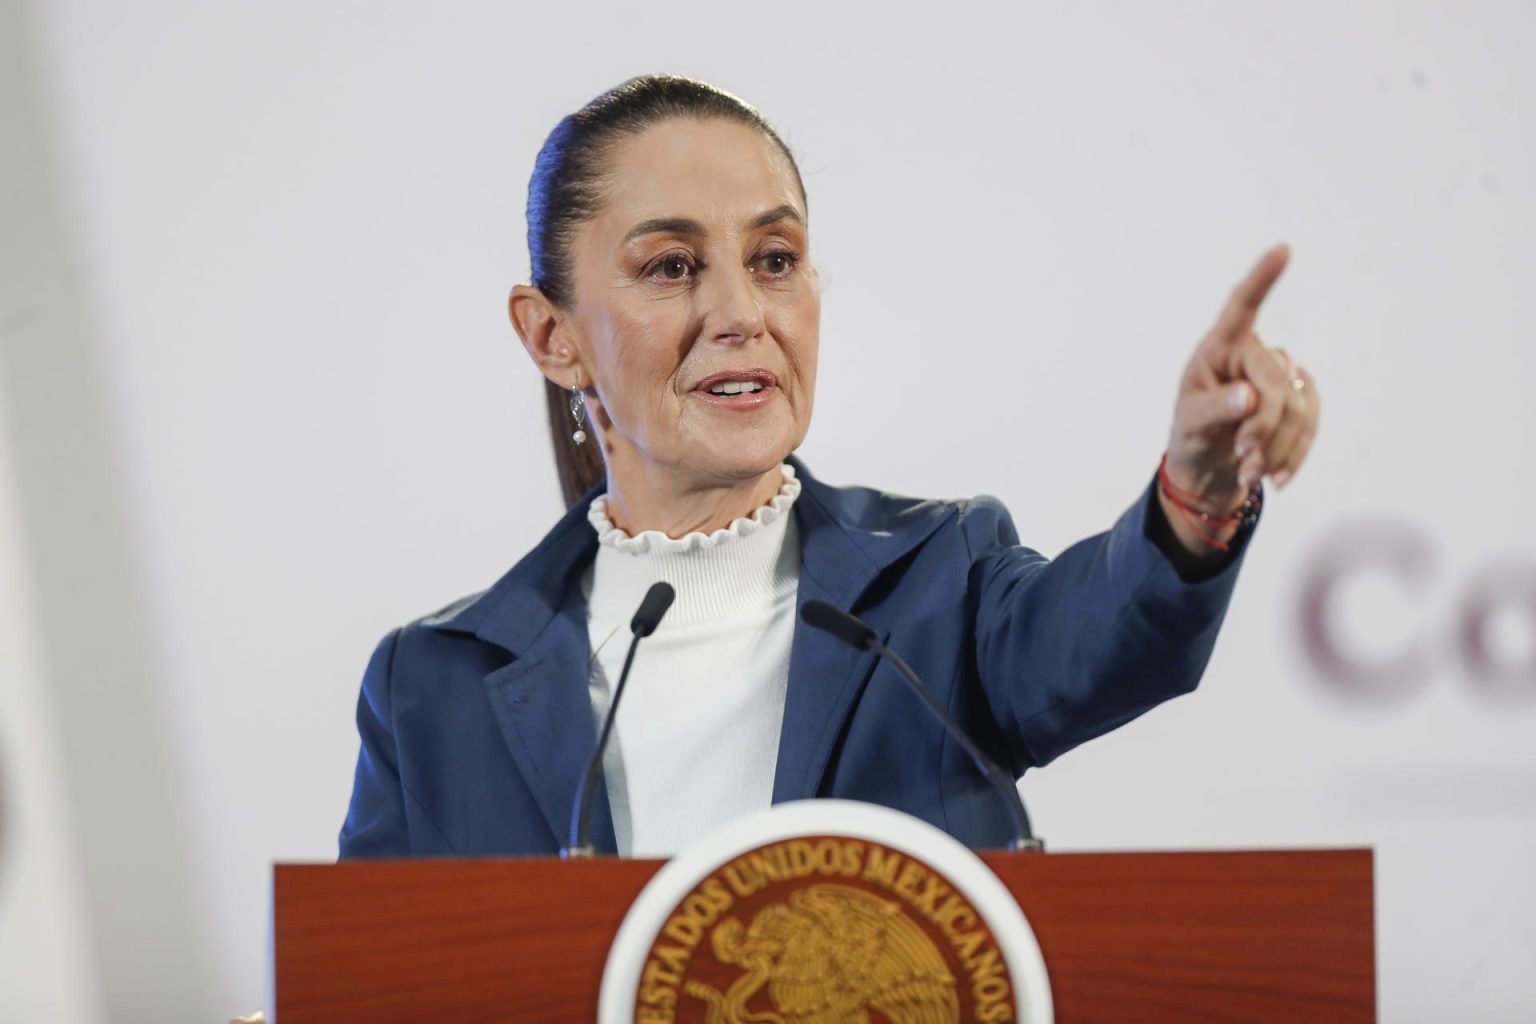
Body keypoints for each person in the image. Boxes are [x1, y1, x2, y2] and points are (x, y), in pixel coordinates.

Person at [338, 74, 1319, 859]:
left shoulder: (938, 582)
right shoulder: (432, 689)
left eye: (774, 259)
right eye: (672, 266)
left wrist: (1201, 484)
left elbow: (1104, 637)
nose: (742, 315)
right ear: (552, 335)